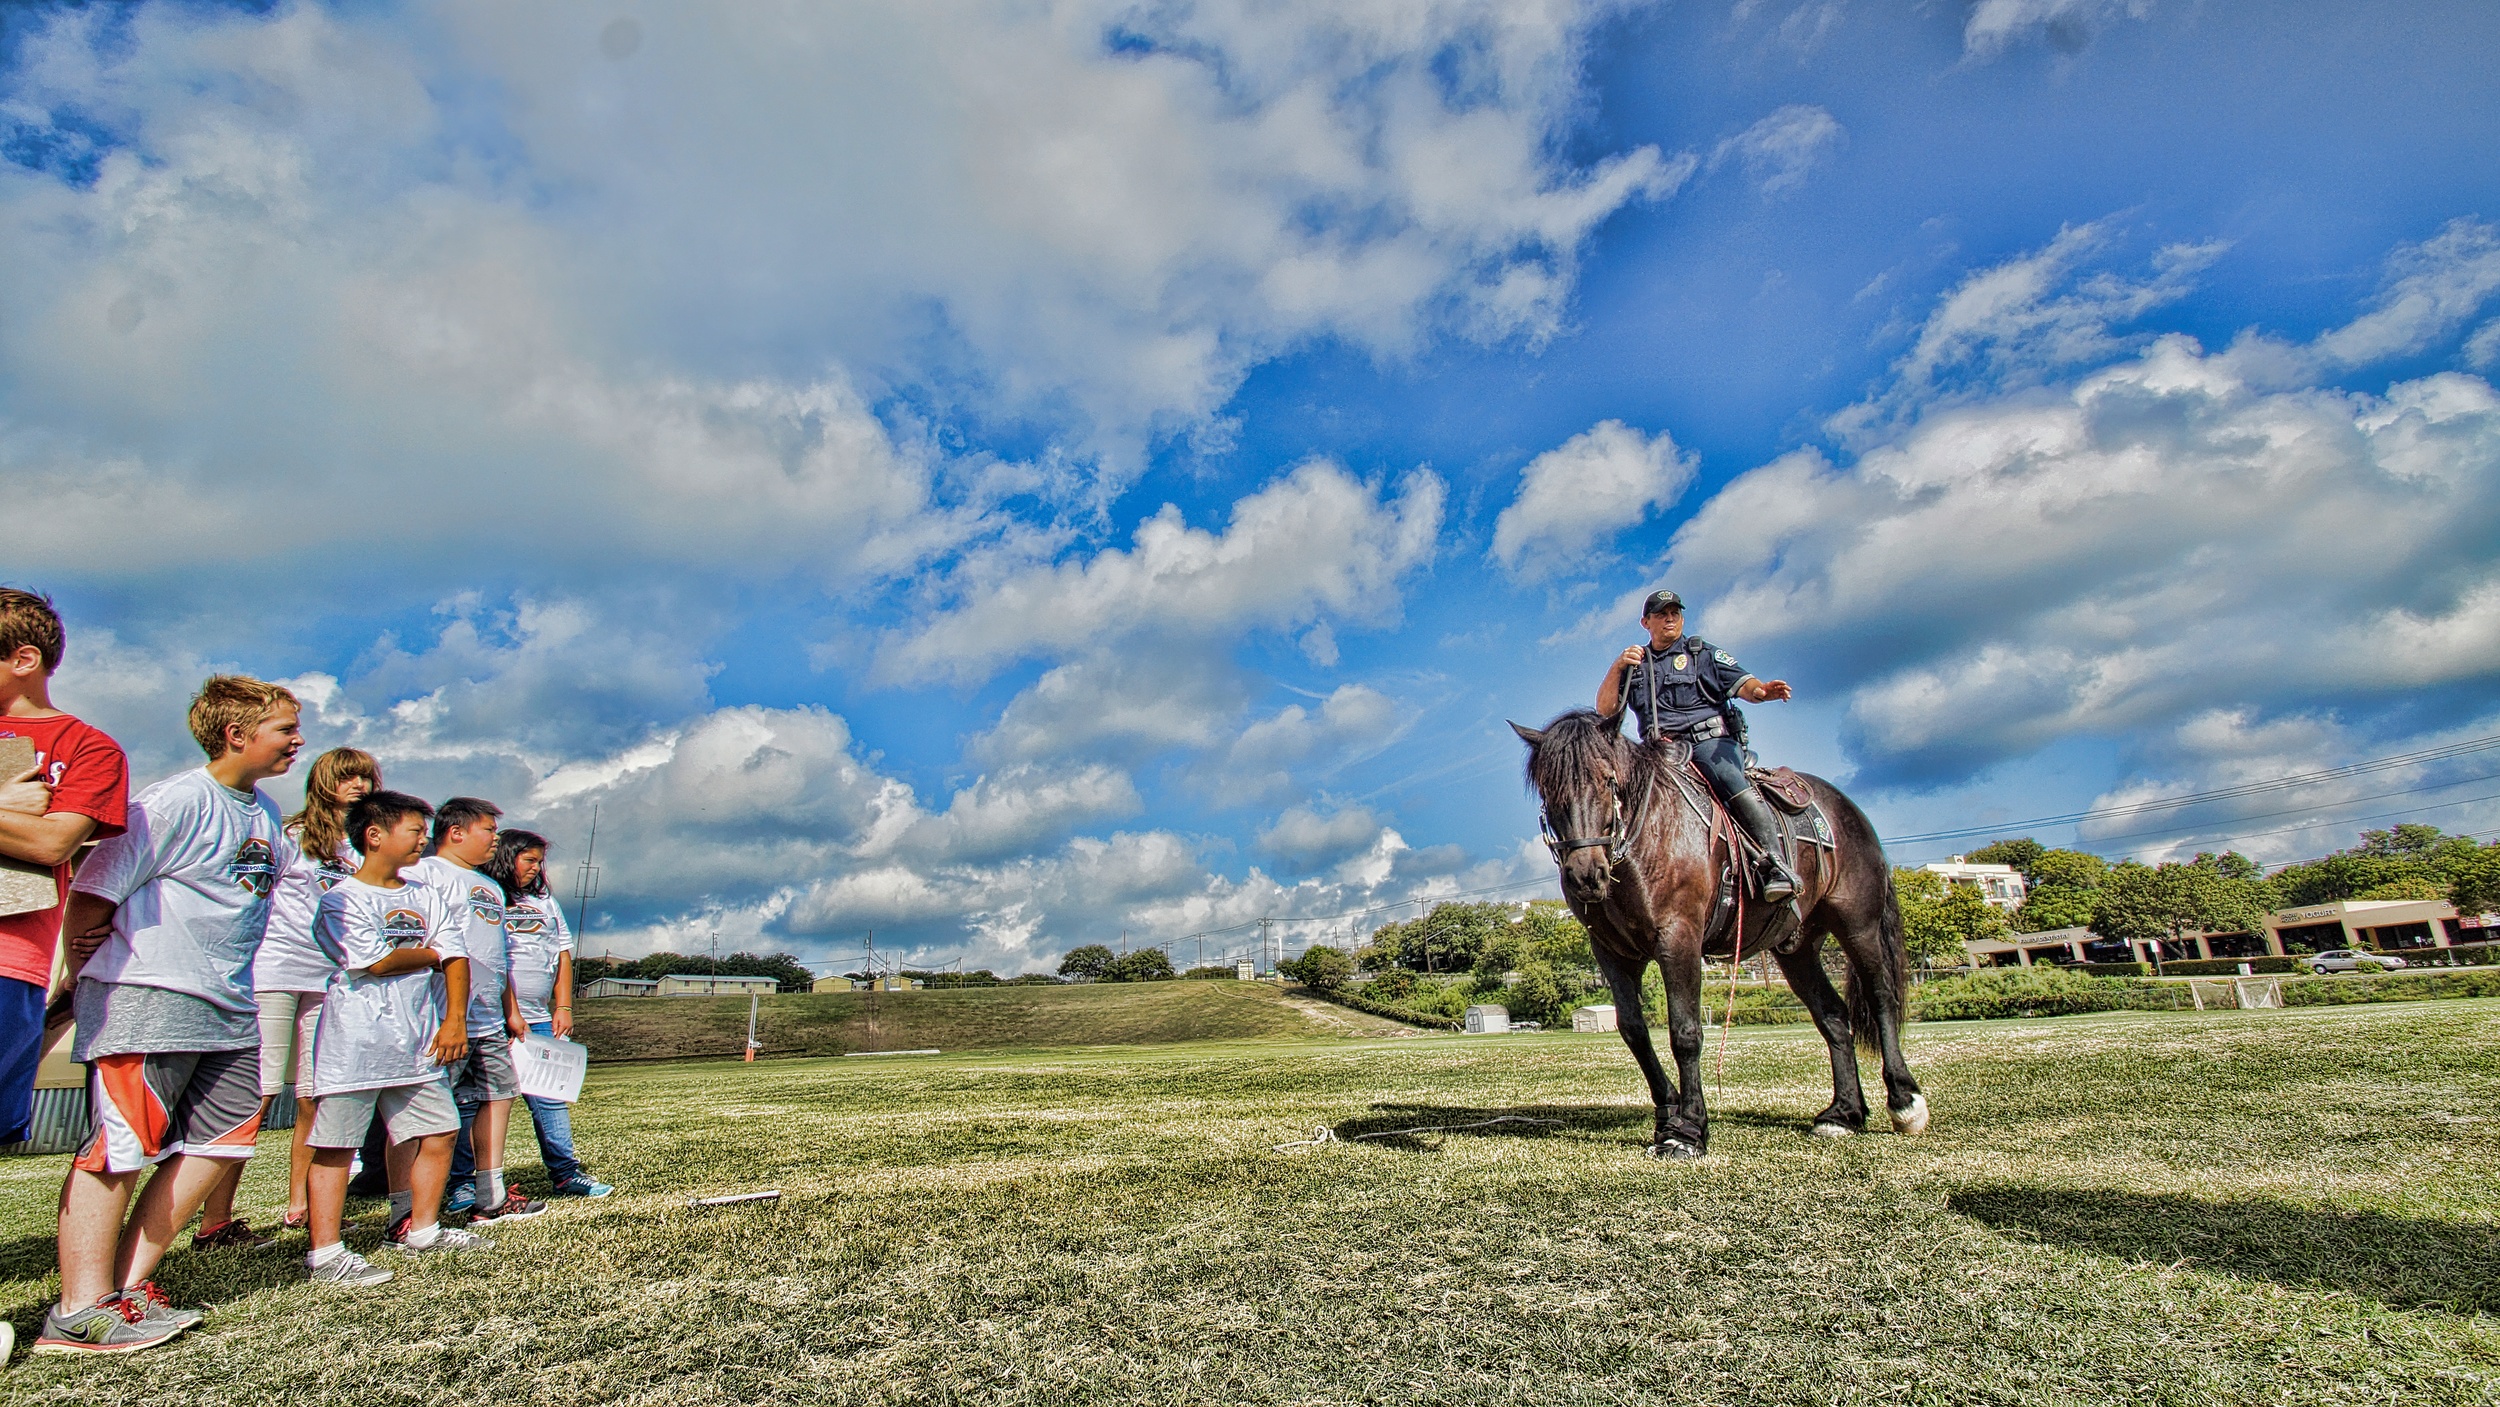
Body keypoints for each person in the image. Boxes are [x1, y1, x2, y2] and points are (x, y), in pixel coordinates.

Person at [34, 676, 300, 1355]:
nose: (297, 740)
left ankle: (125, 1288)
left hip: (231, 1006)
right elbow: (94, 892)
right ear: (236, 734)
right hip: (151, 999)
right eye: (284, 728)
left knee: (222, 1144)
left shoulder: (264, 812)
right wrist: (88, 970)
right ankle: (78, 1312)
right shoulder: (176, 800)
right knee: (117, 1150)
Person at [191, 747, 381, 1249]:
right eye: (347, 777)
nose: (358, 786)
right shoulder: (291, 835)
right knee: (257, 1092)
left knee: (315, 1096)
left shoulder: (367, 847)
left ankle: (301, 1208)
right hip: (274, 970)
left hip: (333, 979)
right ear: (323, 782)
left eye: (366, 777)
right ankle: (217, 1220)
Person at [303, 789, 491, 1288]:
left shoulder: (425, 894)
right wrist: (431, 953)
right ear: (374, 835)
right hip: (356, 1044)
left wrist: (454, 1020)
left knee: (440, 1130)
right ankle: (326, 1252)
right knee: (337, 1146)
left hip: (419, 1042)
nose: (422, 842)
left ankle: (421, 1228)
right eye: (414, 831)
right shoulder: (340, 900)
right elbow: (376, 961)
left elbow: (457, 955)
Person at [1596, 589, 1800, 902]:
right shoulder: (1636, 666)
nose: (1669, 619)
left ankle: (1775, 864)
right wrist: (1617, 667)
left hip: (1709, 743)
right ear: (1645, 622)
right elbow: (1606, 711)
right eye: (1662, 614)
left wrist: (1762, 691)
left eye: (1675, 613)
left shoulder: (1700, 652)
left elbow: (1746, 685)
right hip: (1659, 752)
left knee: (1729, 780)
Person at [404, 798, 543, 1226]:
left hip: (488, 1018)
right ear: (456, 832)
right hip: (444, 1018)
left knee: (499, 1096)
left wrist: (510, 1009)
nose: (494, 840)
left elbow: (496, 955)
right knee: (425, 1109)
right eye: (488, 831)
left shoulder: (490, 886)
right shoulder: (425, 874)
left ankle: (491, 1194)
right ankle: (411, 1207)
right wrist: (451, 1016)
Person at [485, 829, 613, 1198]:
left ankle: (565, 1172)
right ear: (508, 857)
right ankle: (467, 1182)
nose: (536, 868)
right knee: (481, 1102)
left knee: (549, 1097)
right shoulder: (487, 896)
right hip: (492, 1017)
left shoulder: (544, 901)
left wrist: (563, 1005)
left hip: (538, 1018)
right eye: (530, 860)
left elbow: (562, 955)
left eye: (540, 861)